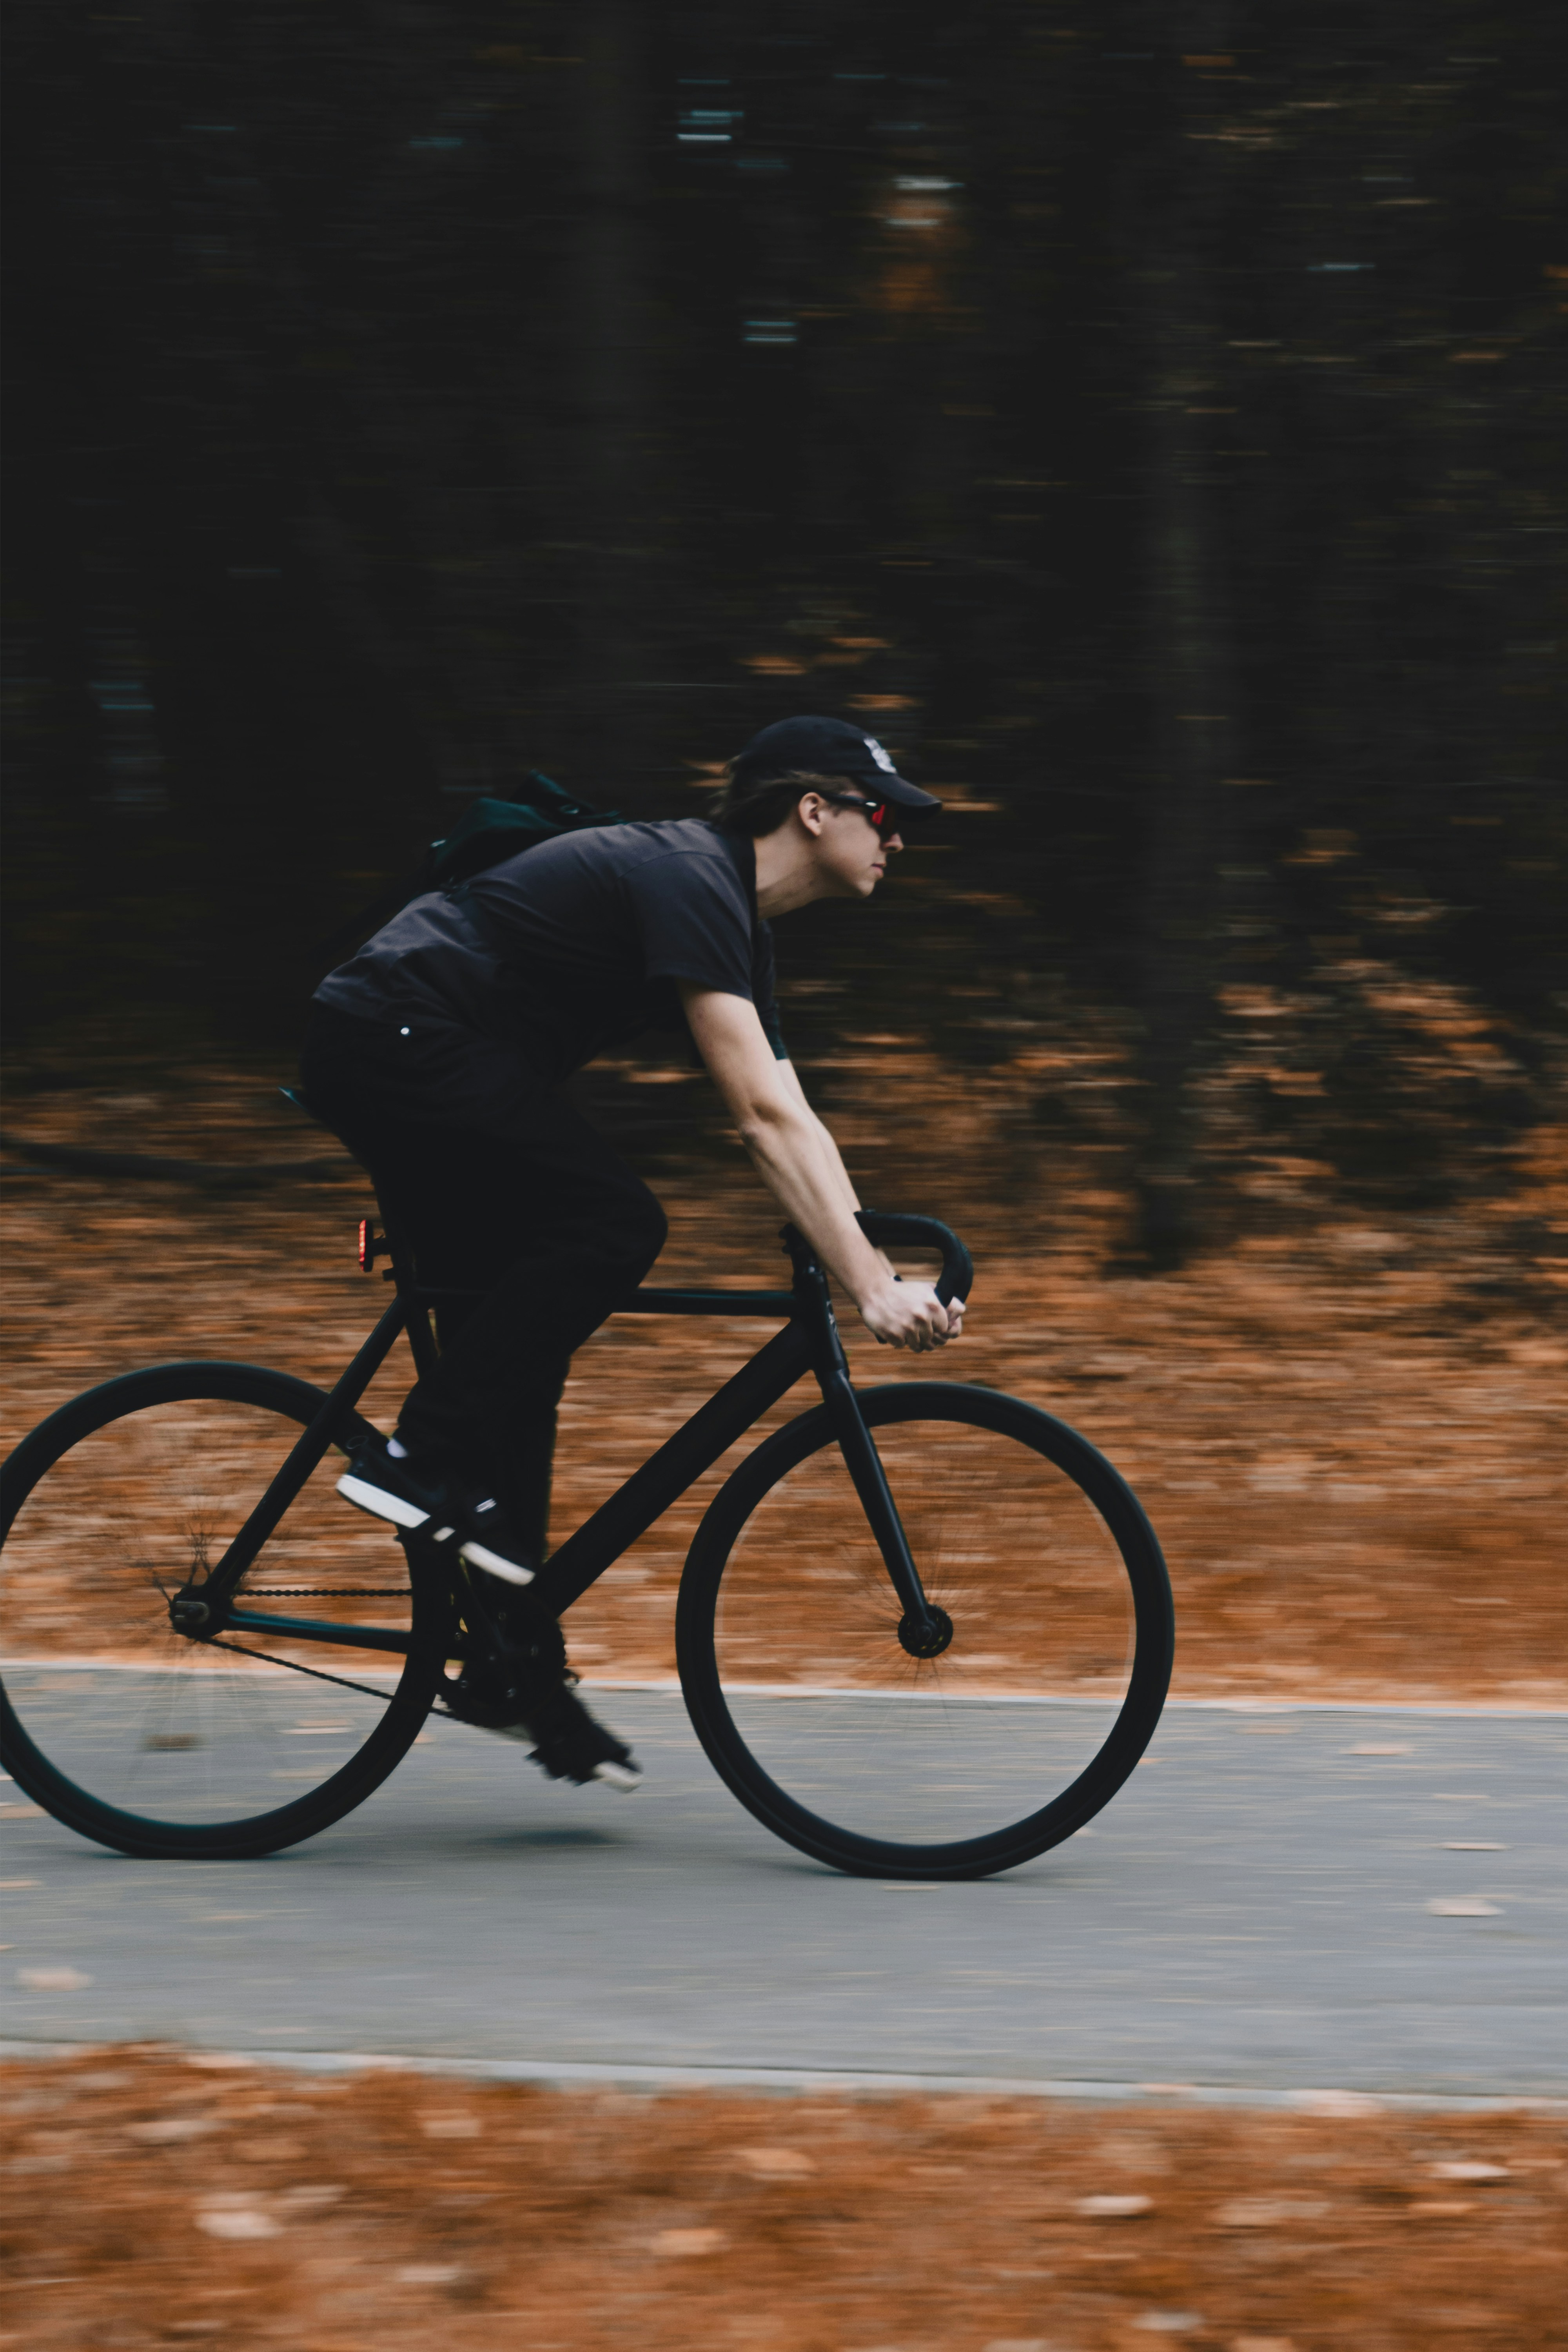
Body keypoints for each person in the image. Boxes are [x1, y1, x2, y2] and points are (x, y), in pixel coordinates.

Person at [299, 715, 965, 1789]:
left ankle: (516, 1673)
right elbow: (755, 1113)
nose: (900, 840)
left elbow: (790, 1113)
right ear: (813, 811)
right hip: (396, 1038)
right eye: (882, 815)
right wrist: (867, 1285)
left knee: (518, 1365)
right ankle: (418, 1462)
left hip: (426, 1056)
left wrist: (871, 1263)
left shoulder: (733, 922)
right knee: (615, 1226)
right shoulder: (695, 879)